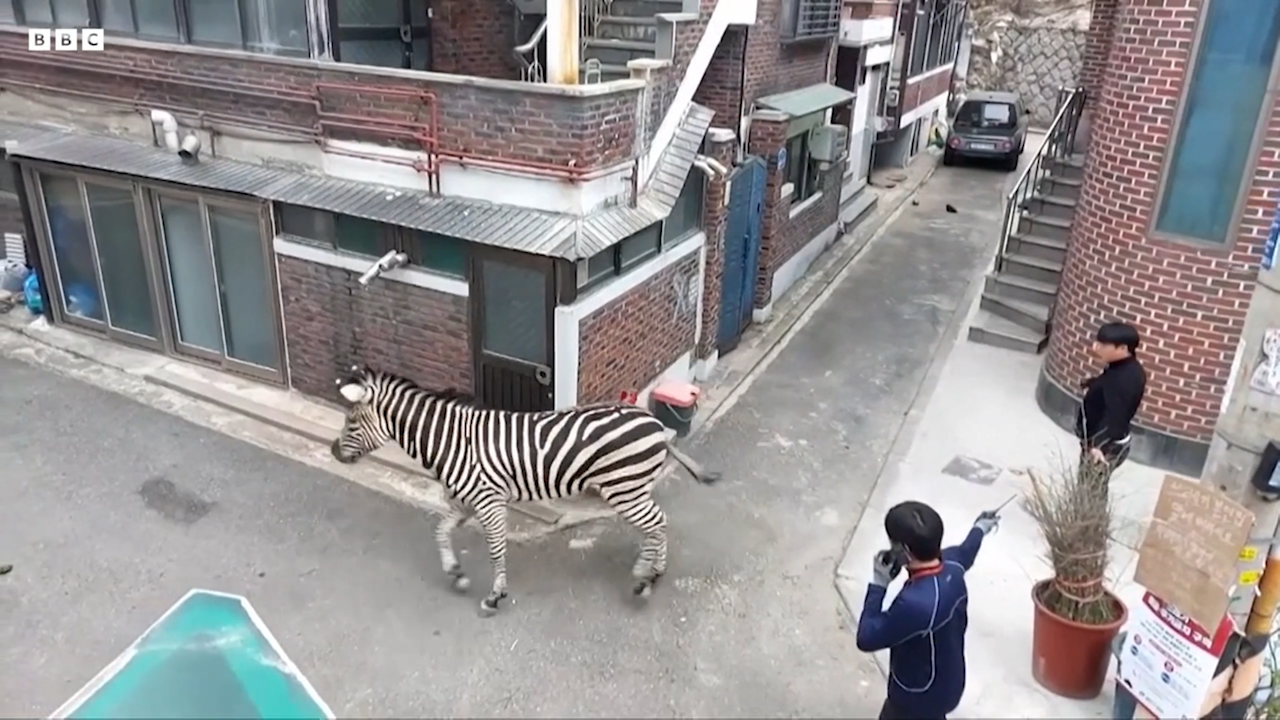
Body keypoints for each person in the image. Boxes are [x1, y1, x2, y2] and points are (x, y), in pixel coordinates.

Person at [856, 501, 999, 720]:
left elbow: (867, 637)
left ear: (904, 551)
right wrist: (980, 527)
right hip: (948, 682)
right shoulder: (952, 565)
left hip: (916, 698)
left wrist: (879, 584)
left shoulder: (915, 604)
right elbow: (966, 551)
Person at [1076, 322, 1147, 471]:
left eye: (1103, 345)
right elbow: (1110, 389)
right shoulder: (1121, 367)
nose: (1096, 347)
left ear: (1122, 348)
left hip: (1106, 448)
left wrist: (1099, 446)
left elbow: (1116, 414)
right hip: (1098, 440)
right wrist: (1094, 383)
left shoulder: (1126, 378)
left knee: (1090, 491)